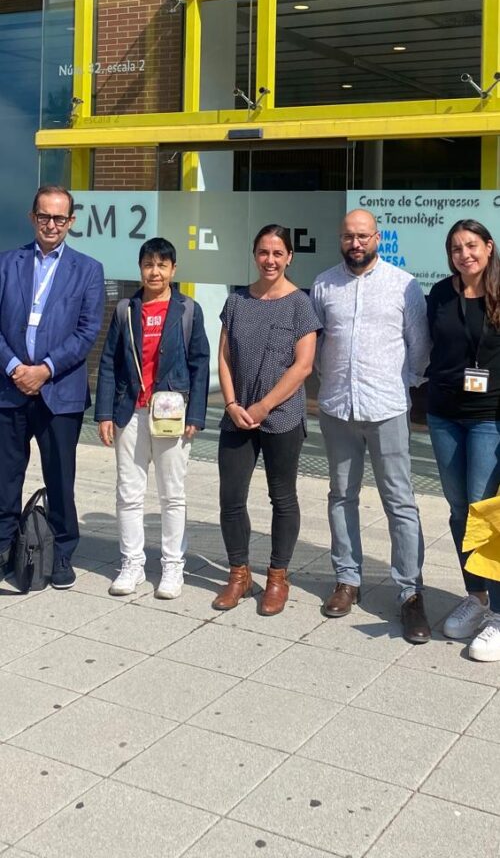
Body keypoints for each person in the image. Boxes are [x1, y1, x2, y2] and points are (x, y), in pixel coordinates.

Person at [311, 208, 431, 643]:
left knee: (400, 501)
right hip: (337, 408)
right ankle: (347, 579)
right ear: (340, 239)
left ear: (377, 238)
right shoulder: (324, 285)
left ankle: (410, 592)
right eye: (349, 236)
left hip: (387, 409)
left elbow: (419, 347)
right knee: (341, 495)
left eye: (363, 236)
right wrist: (332, 381)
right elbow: (317, 343)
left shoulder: (404, 285)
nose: (356, 243)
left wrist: (401, 385)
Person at [0, 185, 104, 589]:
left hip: (59, 391)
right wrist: (14, 367)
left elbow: (87, 331)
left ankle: (61, 551)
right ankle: (5, 548)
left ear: (71, 221)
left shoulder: (88, 269)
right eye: (44, 216)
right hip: (9, 388)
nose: (51, 224)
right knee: (5, 477)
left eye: (60, 217)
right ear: (32, 217)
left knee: (60, 478)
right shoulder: (7, 263)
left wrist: (44, 369)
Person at [214, 223, 321, 616]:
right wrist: (231, 403)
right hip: (237, 415)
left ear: (289, 257)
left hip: (282, 416)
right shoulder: (237, 301)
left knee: (282, 497)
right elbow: (224, 357)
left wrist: (263, 407)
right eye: (263, 252)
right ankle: (239, 574)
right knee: (231, 497)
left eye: (278, 253)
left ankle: (277, 576)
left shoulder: (300, 304)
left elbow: (303, 366)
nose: (270, 260)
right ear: (254, 255)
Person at [95, 237, 209, 599]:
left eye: (161, 265)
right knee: (129, 492)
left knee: (172, 494)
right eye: (148, 264)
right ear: (140, 268)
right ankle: (132, 563)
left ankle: (173, 566)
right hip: (130, 411)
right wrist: (104, 413)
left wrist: (196, 414)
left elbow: (200, 363)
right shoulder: (125, 310)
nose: (154, 272)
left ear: (173, 270)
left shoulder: (188, 310)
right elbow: (109, 362)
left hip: (171, 413)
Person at [427, 219, 500, 662]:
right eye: (456, 248)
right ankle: (476, 596)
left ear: (488, 247)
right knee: (458, 510)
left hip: (489, 418)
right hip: (444, 416)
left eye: (471, 245)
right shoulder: (440, 293)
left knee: (484, 509)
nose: (464, 254)